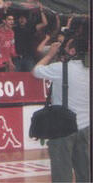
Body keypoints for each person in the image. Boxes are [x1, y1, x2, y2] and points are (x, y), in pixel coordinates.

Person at [32, 39, 90, 182]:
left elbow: (36, 71)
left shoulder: (60, 68)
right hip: (86, 127)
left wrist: (50, 55)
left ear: (72, 51)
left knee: (61, 174)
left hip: (63, 128)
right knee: (86, 173)